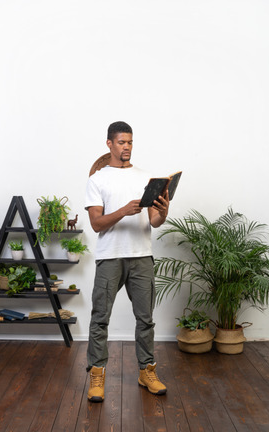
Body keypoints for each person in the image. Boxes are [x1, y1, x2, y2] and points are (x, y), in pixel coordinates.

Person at [85, 121, 169, 402]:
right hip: (110, 257)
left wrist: (163, 212)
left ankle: (147, 371)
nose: (127, 148)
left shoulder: (145, 177)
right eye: (122, 142)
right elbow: (96, 224)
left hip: (142, 256)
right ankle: (97, 373)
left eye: (130, 142)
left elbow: (153, 222)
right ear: (109, 144)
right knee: (100, 319)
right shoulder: (97, 179)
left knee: (145, 319)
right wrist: (122, 211)